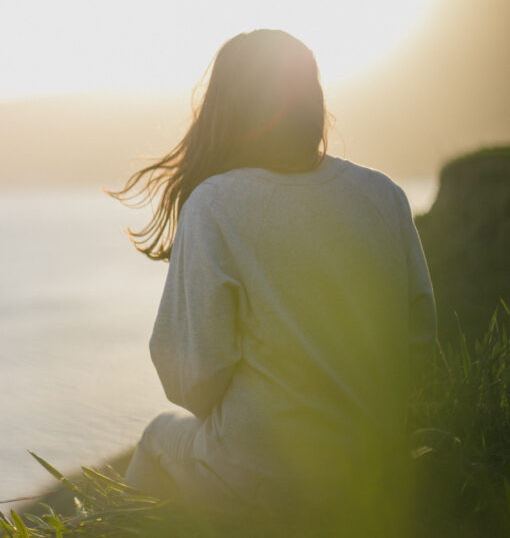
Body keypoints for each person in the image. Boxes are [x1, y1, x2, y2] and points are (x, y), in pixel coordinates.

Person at [110, 29, 436, 530]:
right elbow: (419, 346)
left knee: (157, 437)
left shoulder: (215, 204)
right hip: (377, 467)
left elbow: (191, 380)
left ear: (224, 108)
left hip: (267, 477)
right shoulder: (384, 194)